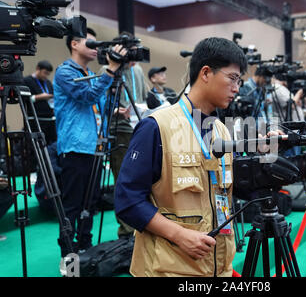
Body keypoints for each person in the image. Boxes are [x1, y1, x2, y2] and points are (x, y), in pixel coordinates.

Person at [115, 37, 285, 277]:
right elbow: (128, 201)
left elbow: (230, 189)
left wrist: (268, 159)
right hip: (168, 270)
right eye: (233, 78)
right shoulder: (156, 127)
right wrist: (179, 235)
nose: (237, 88)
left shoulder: (221, 130)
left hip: (218, 267)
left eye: (240, 80)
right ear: (206, 73)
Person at [53, 27, 127, 263]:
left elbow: (96, 105)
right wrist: (110, 70)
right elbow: (85, 96)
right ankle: (68, 253)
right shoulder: (65, 72)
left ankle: (85, 248)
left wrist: (114, 110)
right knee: (73, 204)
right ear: (74, 44)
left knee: (90, 202)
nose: (96, 49)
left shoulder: (91, 73)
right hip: (75, 147)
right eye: (91, 43)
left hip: (95, 147)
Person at [99, 32, 149, 239]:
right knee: (122, 177)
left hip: (139, 124)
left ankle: (142, 223)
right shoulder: (107, 70)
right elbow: (99, 99)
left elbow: (144, 95)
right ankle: (127, 229)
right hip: (118, 127)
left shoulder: (137, 70)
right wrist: (113, 110)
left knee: (142, 176)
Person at [23, 60, 57, 145]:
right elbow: (23, 99)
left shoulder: (48, 83)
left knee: (50, 145)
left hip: (50, 120)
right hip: (35, 120)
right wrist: (39, 97)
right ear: (38, 69)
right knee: (36, 145)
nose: (46, 76)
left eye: (48, 74)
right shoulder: (27, 81)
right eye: (45, 73)